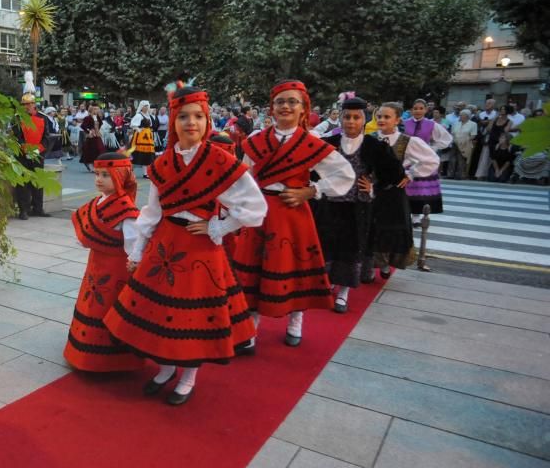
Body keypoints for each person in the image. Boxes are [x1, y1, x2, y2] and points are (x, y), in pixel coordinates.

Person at [103, 81, 267, 405]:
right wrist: (137, 250)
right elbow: (151, 212)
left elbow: (256, 208)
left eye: (198, 116)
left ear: (207, 121)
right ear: (173, 122)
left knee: (190, 320)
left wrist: (218, 227)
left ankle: (188, 377)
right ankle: (165, 369)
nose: (191, 123)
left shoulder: (220, 160)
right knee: (159, 316)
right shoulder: (162, 165)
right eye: (183, 117)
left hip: (201, 249)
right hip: (165, 245)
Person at [230, 79, 355, 348]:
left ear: (303, 109)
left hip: (293, 213)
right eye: (280, 102)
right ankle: (250, 327)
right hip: (260, 213)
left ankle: (295, 320)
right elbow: (243, 177)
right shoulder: (255, 140)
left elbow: (345, 175)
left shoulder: (311, 142)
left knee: (294, 268)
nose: (285, 106)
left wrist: (310, 192)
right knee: (254, 271)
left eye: (292, 101)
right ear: (271, 108)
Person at [313, 98, 404, 312]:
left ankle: (344, 291)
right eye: (347, 117)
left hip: (358, 206)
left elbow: (394, 173)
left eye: (356, 118)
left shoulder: (374, 146)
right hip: (330, 204)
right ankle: (330, 281)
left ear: (364, 120)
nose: (351, 122)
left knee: (351, 247)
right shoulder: (329, 142)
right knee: (329, 244)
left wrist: (374, 183)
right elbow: (312, 169)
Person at [65, 152, 143, 372]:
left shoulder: (126, 209)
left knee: (106, 306)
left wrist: (135, 262)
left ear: (120, 176)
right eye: (97, 174)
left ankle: (109, 361)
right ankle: (82, 353)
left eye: (106, 175)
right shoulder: (99, 201)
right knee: (91, 303)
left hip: (116, 268)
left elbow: (133, 242)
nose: (98, 179)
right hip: (96, 263)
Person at [367, 102, 440, 279]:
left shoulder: (407, 141)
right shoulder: (370, 138)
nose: (381, 120)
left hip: (393, 192)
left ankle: (385, 265)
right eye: (379, 116)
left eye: (386, 117)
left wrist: (410, 174)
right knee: (371, 228)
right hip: (372, 191)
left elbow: (431, 160)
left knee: (390, 229)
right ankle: (370, 266)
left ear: (397, 119)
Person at [403, 99, 452, 223]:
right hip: (408, 159)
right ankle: (404, 213)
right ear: (411, 110)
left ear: (425, 110)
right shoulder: (404, 123)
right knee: (407, 186)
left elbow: (446, 138)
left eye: (421, 108)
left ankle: (416, 216)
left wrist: (432, 148)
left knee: (421, 189)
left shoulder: (431, 124)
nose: (418, 111)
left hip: (424, 160)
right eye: (415, 108)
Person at [13, 72, 52, 219]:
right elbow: (17, 138)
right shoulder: (17, 119)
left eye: (29, 104)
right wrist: (25, 149)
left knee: (38, 182)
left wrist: (38, 150)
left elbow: (46, 138)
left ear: (34, 104)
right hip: (22, 155)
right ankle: (23, 210)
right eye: (24, 104)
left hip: (38, 154)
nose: (27, 106)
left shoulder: (43, 118)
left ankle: (38, 208)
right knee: (22, 184)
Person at [128, 100, 155, 178]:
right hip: (140, 137)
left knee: (147, 155)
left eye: (147, 106)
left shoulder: (148, 115)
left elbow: (150, 125)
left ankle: (145, 173)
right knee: (137, 154)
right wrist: (138, 129)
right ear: (141, 107)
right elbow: (132, 124)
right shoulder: (139, 115)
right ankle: (130, 171)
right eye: (145, 106)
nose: (146, 108)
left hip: (148, 136)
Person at [448, 109, 477, 180]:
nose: (460, 116)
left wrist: (465, 140)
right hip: (455, 143)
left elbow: (473, 135)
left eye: (462, 115)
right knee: (452, 159)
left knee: (462, 160)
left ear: (467, 116)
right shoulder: (456, 123)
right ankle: (450, 174)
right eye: (460, 115)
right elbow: (452, 133)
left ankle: (460, 175)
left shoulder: (473, 124)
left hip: (465, 144)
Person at [79, 105, 106, 172]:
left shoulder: (98, 117)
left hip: (97, 135)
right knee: (91, 150)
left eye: (98, 109)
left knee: (100, 149)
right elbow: (83, 126)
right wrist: (89, 131)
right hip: (91, 136)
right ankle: (90, 164)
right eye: (96, 109)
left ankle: (97, 164)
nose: (97, 111)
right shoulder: (87, 118)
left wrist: (97, 130)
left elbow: (100, 124)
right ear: (91, 110)